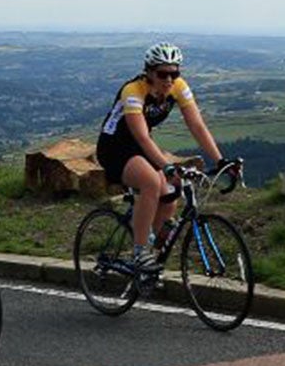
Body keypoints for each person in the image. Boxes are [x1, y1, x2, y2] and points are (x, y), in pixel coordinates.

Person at [94, 42, 227, 279]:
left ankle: (149, 260)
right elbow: (142, 138)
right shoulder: (133, 91)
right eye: (162, 74)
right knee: (151, 182)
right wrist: (165, 166)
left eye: (174, 73)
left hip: (141, 145)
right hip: (114, 147)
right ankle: (139, 251)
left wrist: (221, 161)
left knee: (172, 192)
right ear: (149, 72)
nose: (169, 79)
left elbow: (197, 126)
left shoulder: (178, 87)